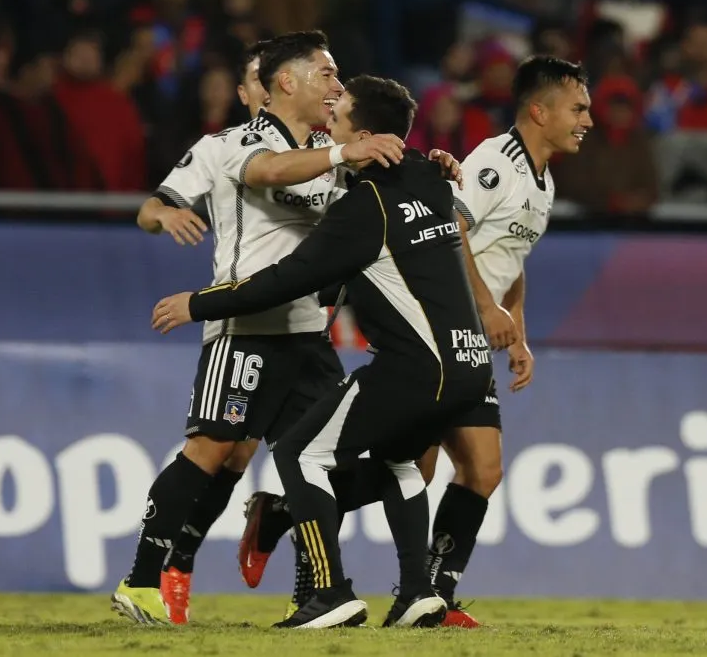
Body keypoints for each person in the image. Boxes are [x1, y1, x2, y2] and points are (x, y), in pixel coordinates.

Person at [150, 74, 493, 630]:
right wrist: (439, 161)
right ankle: (417, 596)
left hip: (414, 367)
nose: (329, 119)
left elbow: (288, 278)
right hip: (470, 367)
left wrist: (200, 303)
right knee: (400, 461)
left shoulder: (366, 206)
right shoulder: (430, 177)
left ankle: (330, 593)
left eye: (340, 116)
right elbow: (433, 194)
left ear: (363, 133)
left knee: (297, 456)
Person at [112, 30, 410, 626]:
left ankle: (316, 593)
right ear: (286, 82)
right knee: (212, 449)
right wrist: (165, 213)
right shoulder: (234, 144)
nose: (338, 86)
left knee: (325, 460)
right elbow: (263, 173)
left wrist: (429, 168)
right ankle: (142, 581)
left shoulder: (333, 153)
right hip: (243, 325)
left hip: (308, 331)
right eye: (326, 74)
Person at [418, 54, 592, 627]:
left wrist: (516, 329)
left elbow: (512, 260)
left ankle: (434, 597)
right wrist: (487, 305)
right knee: (410, 471)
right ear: (538, 111)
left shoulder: (544, 182)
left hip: (472, 337)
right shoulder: (496, 160)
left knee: (483, 470)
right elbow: (450, 228)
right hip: (432, 328)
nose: (587, 119)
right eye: (578, 108)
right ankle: (286, 511)